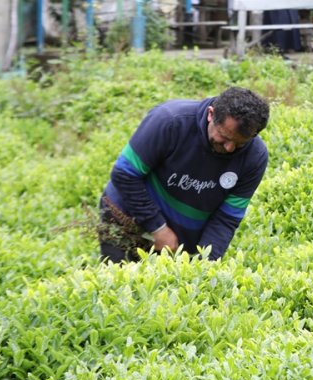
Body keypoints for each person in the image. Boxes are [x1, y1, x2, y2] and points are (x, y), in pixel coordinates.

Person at [98, 86, 270, 263]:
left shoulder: (255, 157)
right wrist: (158, 228)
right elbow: (124, 174)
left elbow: (227, 217)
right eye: (224, 137)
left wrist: (205, 263)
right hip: (126, 216)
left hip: (179, 239)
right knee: (121, 278)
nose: (229, 148)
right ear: (211, 114)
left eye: (239, 143)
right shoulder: (170, 120)